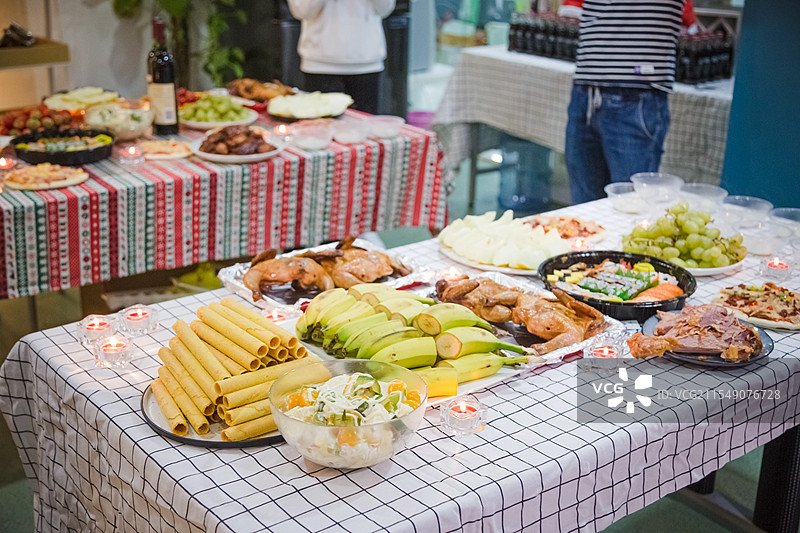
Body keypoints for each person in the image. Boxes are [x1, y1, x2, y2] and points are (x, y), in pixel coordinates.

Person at [564, 0, 694, 204]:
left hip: (636, 93)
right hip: (586, 91)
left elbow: (686, 22)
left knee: (632, 209)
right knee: (583, 211)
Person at [287, 0, 396, 115]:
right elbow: (301, 11)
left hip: (366, 61)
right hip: (319, 63)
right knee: (319, 128)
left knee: (364, 128)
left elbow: (385, 9)